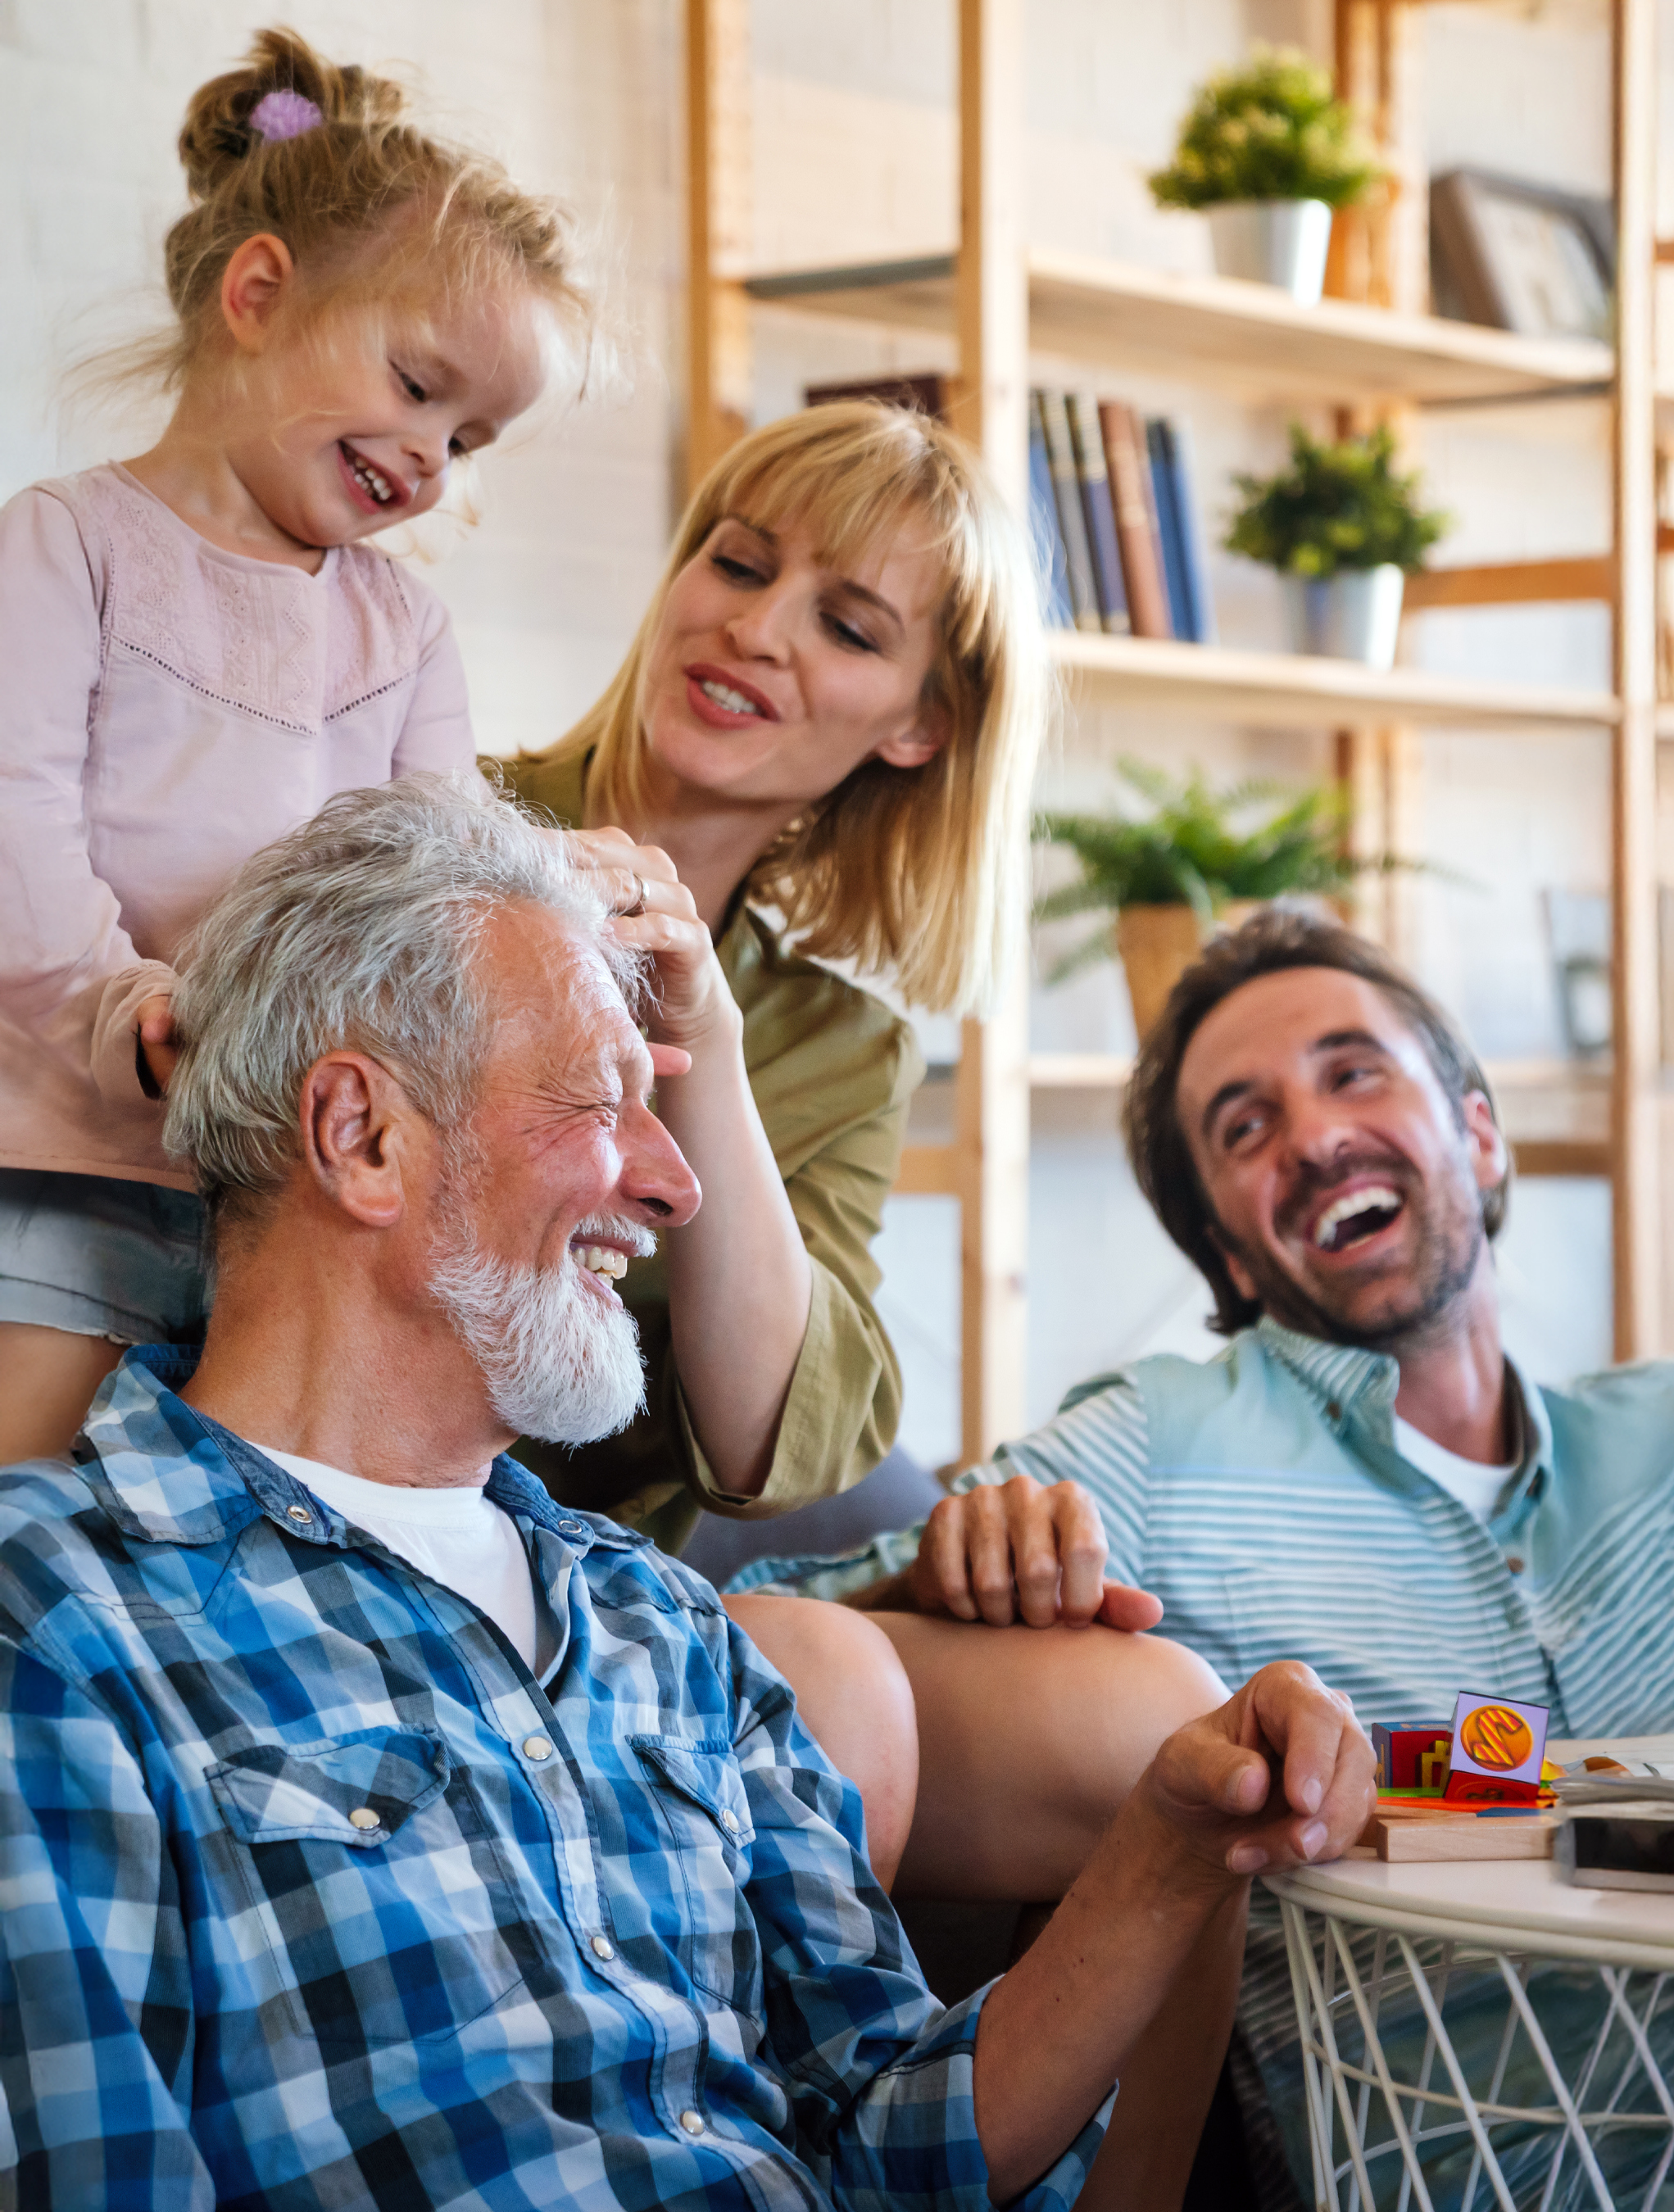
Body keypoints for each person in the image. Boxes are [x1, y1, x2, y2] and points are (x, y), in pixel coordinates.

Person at [0, 779, 1376, 2207]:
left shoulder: (656, 1621)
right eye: (601, 1103)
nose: (676, 1187)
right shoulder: (58, 1621)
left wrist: (1166, 1841)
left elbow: (895, 2143)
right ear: (361, 1135)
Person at [742, 908, 1674, 2206]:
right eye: (1244, 1130)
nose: (1312, 1138)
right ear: (1229, 1251)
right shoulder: (1155, 1439)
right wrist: (935, 1574)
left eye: (1352, 1071)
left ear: (1477, 1135)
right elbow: (743, 1649)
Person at [0, 27, 579, 1462]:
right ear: (258, 294)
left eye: (474, 437)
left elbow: (430, 893)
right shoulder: (66, 548)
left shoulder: (405, 634)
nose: (432, 454)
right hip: (76, 1154)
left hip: (292, 1197)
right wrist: (122, 1008)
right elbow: (14, 823)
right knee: (38, 1504)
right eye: (417, 382)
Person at [497, 401, 1050, 1552]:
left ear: (920, 727)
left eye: (848, 629)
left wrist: (710, 1039)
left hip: (582, 1581)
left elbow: (765, 1447)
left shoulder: (847, 1050)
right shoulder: (434, 820)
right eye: (739, 562)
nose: (753, 627)